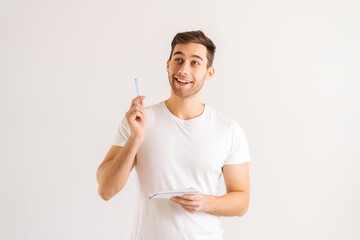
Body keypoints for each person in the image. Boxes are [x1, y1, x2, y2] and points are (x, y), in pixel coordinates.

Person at [96, 30, 251, 239]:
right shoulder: (139, 121)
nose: (184, 69)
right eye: (178, 60)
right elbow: (106, 190)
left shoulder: (228, 129)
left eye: (195, 62)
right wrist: (135, 139)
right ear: (167, 65)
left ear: (209, 72)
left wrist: (204, 202)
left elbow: (241, 201)